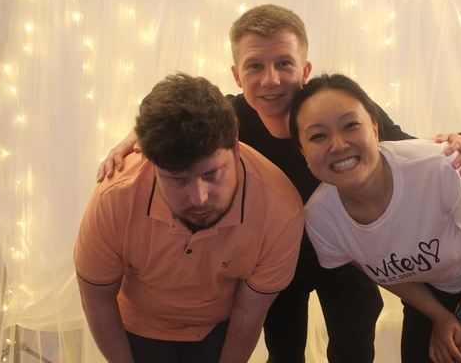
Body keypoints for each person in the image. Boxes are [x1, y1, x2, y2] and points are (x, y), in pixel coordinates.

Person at [96, 5, 461, 363]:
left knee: (353, 350)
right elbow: (176, 119)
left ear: (305, 68)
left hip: (348, 257)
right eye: (255, 66)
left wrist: (458, 141)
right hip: (275, 266)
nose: (271, 79)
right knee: (283, 354)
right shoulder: (228, 117)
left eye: (284, 63)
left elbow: (406, 150)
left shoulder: (334, 109)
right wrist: (134, 136)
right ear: (237, 75)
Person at [288, 73, 461, 363]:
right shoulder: (320, 219)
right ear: (303, 152)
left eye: (350, 125)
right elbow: (378, 270)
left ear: (375, 129)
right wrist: (440, 316)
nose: (338, 145)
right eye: (318, 136)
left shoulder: (439, 165)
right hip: (433, 280)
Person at [74, 72, 304, 363]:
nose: (199, 198)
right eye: (178, 179)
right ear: (149, 160)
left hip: (217, 328)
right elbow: (96, 299)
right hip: (135, 323)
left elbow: (249, 313)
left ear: (235, 146)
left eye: (212, 174)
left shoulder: (280, 210)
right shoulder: (114, 196)